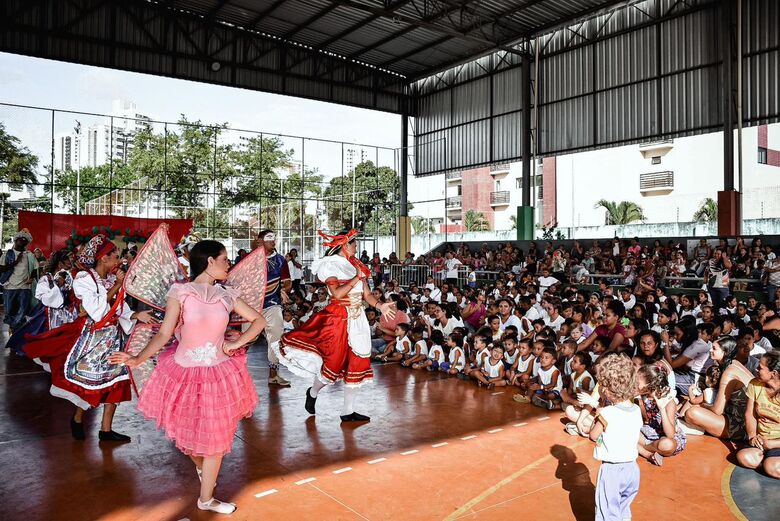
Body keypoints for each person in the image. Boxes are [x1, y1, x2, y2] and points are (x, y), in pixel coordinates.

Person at [110, 240, 267, 514]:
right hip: (182, 372)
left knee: (216, 439)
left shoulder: (228, 294)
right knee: (188, 435)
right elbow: (163, 333)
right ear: (209, 261)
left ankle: (206, 499)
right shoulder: (180, 292)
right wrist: (136, 358)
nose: (228, 264)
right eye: (224, 259)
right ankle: (204, 470)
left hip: (219, 373)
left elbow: (259, 321)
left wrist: (236, 342)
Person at [24, 234, 156, 441]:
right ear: (103, 258)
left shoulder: (111, 279)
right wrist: (117, 287)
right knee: (89, 383)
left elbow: (119, 308)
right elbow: (97, 311)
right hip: (92, 340)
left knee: (118, 381)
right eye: (115, 256)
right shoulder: (84, 279)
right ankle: (77, 418)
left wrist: (136, 315)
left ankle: (106, 430)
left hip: (113, 337)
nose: (118, 260)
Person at [275, 229, 396, 422]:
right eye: (354, 243)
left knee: (357, 360)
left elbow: (366, 295)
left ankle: (348, 411)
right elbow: (337, 294)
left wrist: (381, 305)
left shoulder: (357, 264)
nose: (356, 246)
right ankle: (313, 392)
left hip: (358, 319)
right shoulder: (331, 265)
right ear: (345, 245)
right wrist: (357, 277)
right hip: (338, 318)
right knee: (333, 363)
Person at [588, 354, 642, 521]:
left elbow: (593, 435)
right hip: (632, 469)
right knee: (622, 508)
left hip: (612, 470)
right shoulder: (636, 410)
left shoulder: (607, 413)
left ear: (607, 389)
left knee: (607, 512)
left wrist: (598, 413)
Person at [8, 249, 78, 357]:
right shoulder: (47, 279)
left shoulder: (70, 278)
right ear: (59, 264)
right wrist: (57, 286)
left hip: (68, 312)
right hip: (50, 313)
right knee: (41, 335)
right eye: (68, 264)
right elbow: (43, 296)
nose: (70, 267)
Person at [253, 229, 292, 386]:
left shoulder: (281, 260)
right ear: (259, 241)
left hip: (272, 304)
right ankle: (238, 375)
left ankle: (273, 374)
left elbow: (288, 282)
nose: (273, 241)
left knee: (276, 337)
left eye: (274, 238)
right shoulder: (250, 259)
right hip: (250, 306)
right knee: (245, 339)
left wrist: (284, 289)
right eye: (268, 238)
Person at [735, 352, 780, 479]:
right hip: (762, 441)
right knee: (743, 457)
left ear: (774, 373)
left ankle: (769, 463)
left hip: (777, 442)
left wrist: (772, 444)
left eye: (760, 368)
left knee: (772, 467)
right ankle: (768, 461)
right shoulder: (754, 384)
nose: (756, 369)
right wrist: (752, 436)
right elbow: (750, 414)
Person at [636, 363, 686, 466]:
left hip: (666, 438)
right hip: (649, 433)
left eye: (637, 382)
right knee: (622, 430)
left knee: (666, 445)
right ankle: (647, 452)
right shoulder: (644, 395)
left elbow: (670, 435)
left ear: (649, 385)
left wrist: (661, 409)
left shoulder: (668, 402)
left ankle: (641, 448)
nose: (635, 384)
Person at [1, 228, 39, 333]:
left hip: (24, 287)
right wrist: (15, 262)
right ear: (16, 240)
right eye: (20, 239)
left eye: (25, 240)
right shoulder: (8, 254)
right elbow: (1, 268)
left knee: (22, 311)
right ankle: (14, 326)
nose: (22, 241)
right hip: (10, 286)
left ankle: (16, 330)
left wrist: (31, 278)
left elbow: (35, 268)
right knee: (9, 311)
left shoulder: (29, 255)